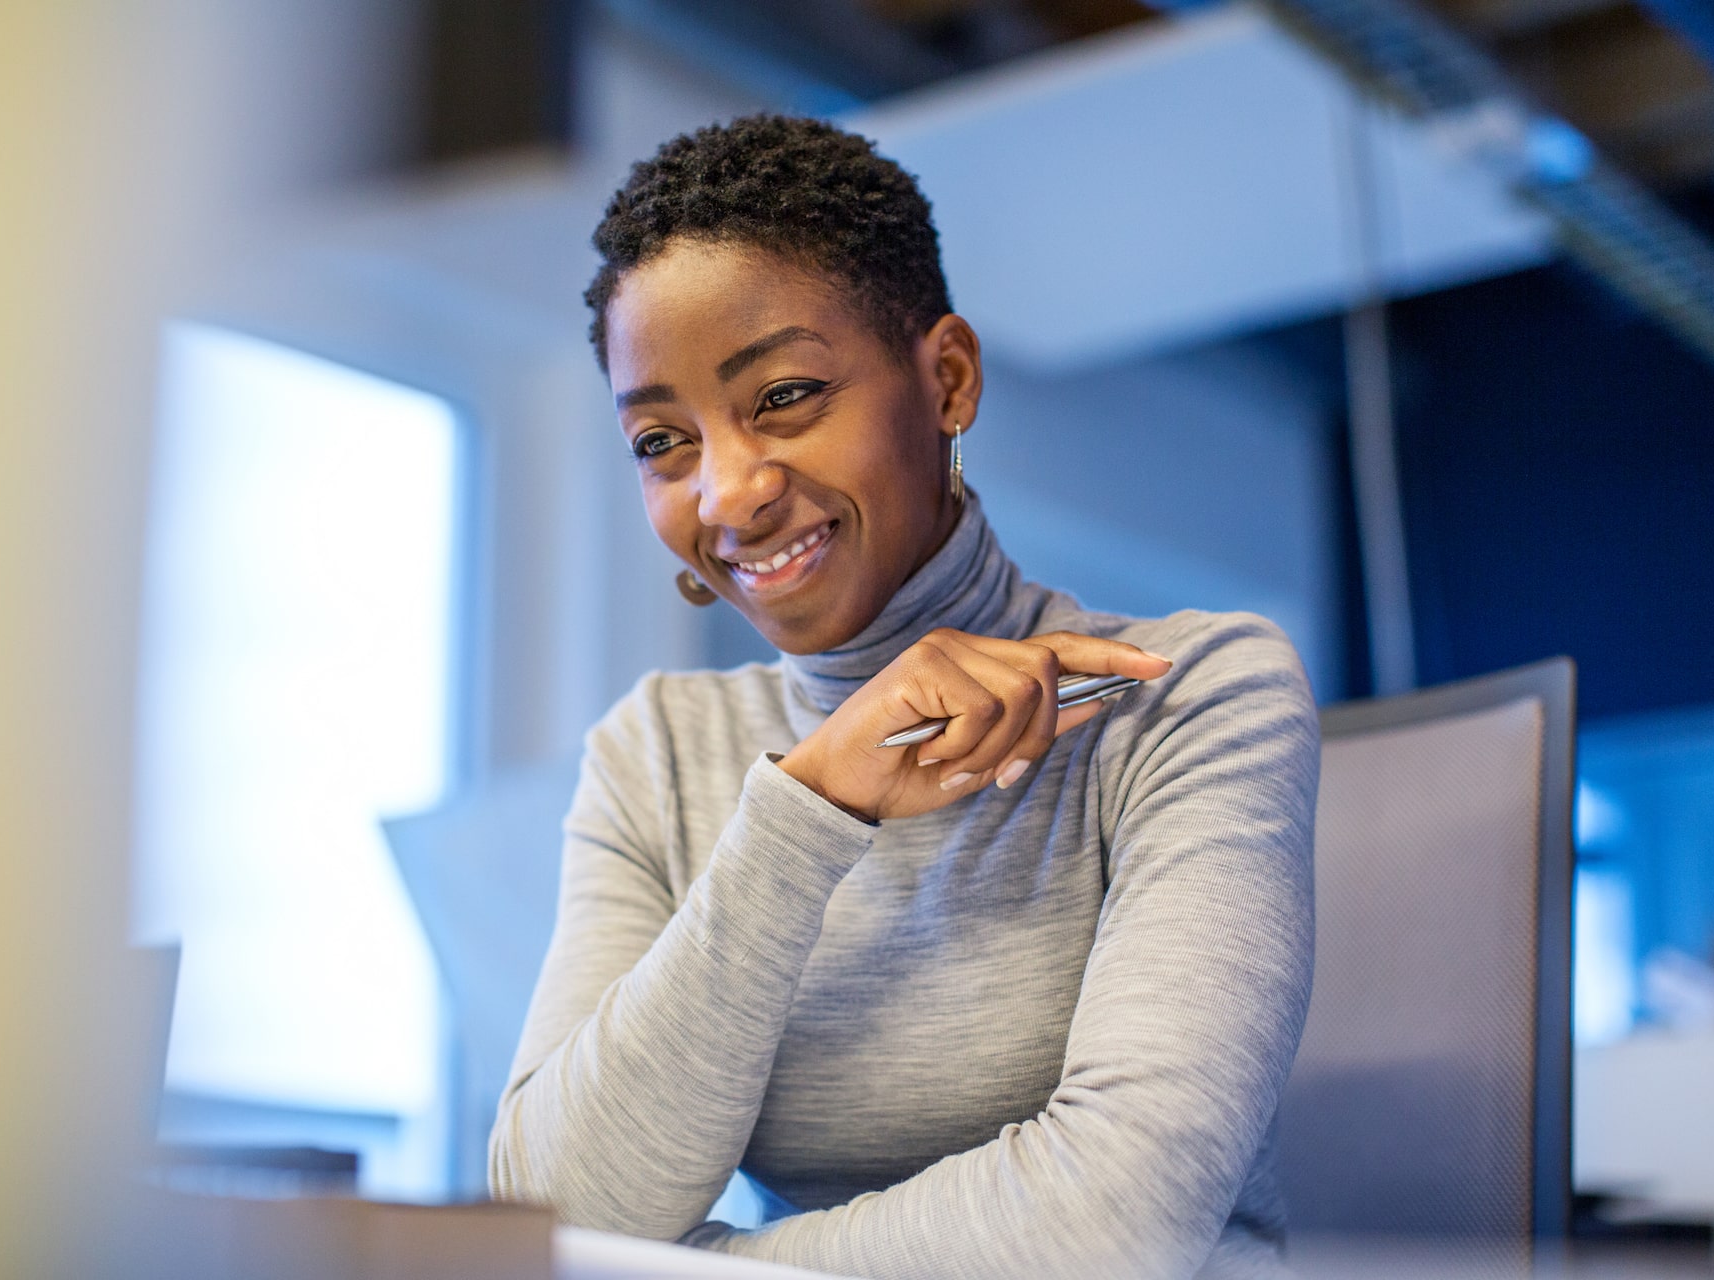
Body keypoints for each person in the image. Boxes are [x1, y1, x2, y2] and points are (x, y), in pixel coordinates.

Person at [489, 114, 1318, 1280]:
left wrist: (708, 1261)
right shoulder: (658, 753)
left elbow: (1116, 1224)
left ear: (947, 378)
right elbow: (554, 1213)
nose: (729, 493)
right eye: (664, 440)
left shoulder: (1188, 692)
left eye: (782, 395)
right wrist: (810, 802)